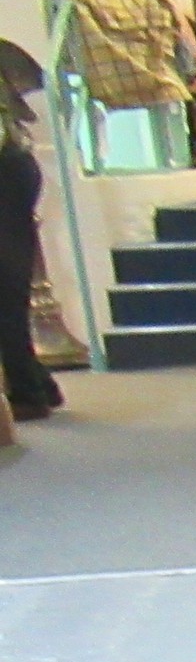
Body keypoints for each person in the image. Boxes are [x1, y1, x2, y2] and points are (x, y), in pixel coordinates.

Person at [0, 73, 60, 422]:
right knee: (8, 289)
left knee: (6, 291)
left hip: (5, 171)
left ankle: (28, 392)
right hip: (15, 166)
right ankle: (37, 383)